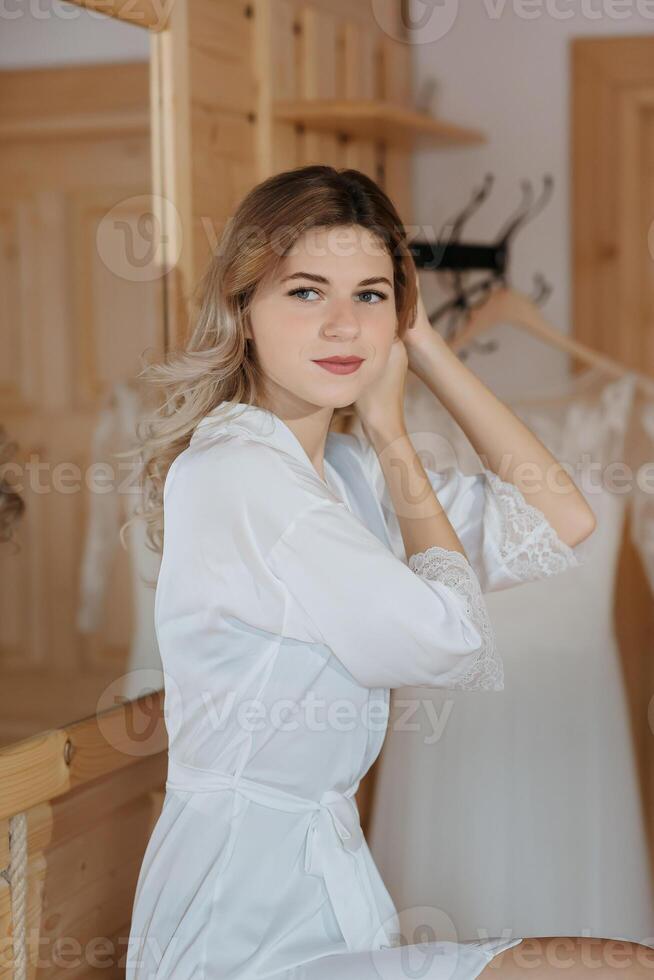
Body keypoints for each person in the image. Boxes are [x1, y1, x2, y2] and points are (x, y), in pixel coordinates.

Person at [125, 164, 654, 979]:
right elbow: (449, 640)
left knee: (620, 963)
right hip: (237, 925)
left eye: (369, 295)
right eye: (306, 292)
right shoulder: (240, 474)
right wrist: (397, 435)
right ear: (244, 308)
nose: (343, 325)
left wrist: (427, 345)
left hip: (331, 893)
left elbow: (562, 521)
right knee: (613, 968)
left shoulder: (342, 470)